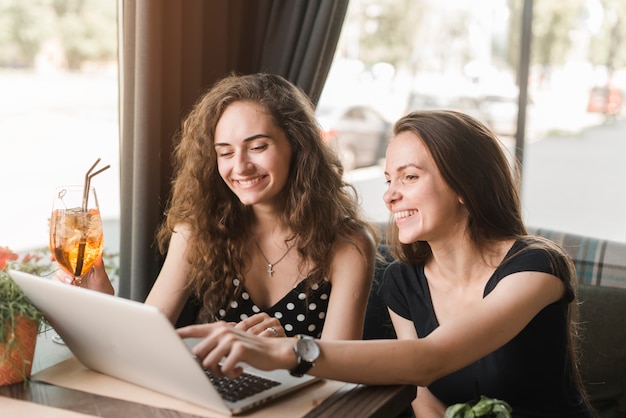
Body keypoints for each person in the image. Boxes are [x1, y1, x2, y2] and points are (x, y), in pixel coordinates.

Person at [177, 110, 594, 417]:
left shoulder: (536, 266)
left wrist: (288, 351)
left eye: (410, 177)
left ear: (466, 186)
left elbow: (431, 359)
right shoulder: (402, 281)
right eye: (390, 179)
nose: (390, 195)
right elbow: (426, 399)